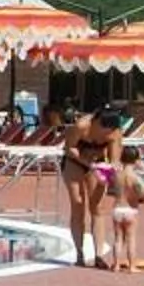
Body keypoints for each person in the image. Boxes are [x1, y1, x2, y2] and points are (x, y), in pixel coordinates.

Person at [57, 111, 121, 267]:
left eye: (110, 130)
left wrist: (110, 171)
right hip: (76, 161)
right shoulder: (81, 127)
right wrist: (89, 165)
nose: (106, 133)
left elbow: (115, 159)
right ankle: (79, 254)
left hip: (97, 162)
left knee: (98, 207)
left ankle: (99, 255)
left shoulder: (114, 132)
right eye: (104, 129)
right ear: (96, 122)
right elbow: (69, 148)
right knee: (78, 204)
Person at [105, 154, 144, 272]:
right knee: (131, 239)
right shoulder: (134, 177)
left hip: (117, 208)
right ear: (136, 160)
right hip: (130, 209)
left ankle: (116, 265)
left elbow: (110, 185)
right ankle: (132, 266)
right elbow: (141, 193)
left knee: (118, 239)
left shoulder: (117, 175)